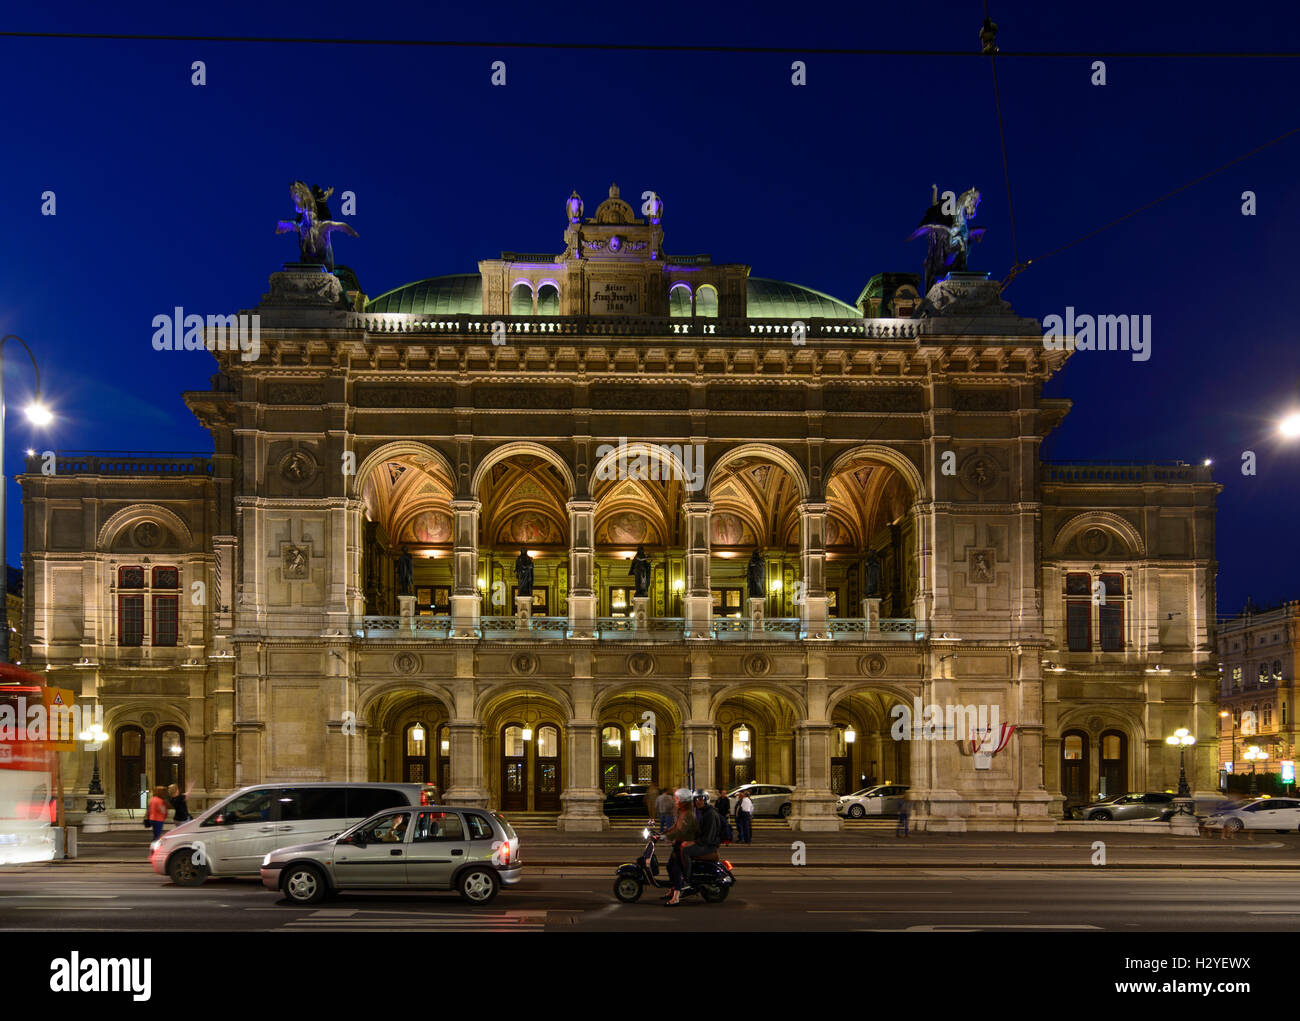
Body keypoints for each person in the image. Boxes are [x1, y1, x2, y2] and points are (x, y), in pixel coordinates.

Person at [662, 789, 697, 906]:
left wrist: (667, 836)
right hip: (678, 843)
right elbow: (675, 826)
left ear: (683, 801)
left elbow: (681, 831)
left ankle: (676, 896)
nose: (675, 801)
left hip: (685, 844)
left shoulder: (688, 815)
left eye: (677, 799)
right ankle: (673, 888)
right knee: (669, 866)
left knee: (676, 869)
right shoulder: (681, 812)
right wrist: (664, 832)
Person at [681, 790, 722, 887]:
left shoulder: (710, 814)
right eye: (696, 800)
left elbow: (707, 838)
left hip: (708, 846)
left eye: (701, 799)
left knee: (684, 851)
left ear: (706, 800)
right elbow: (699, 831)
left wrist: (693, 842)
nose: (698, 802)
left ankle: (686, 881)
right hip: (705, 843)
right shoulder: (704, 812)